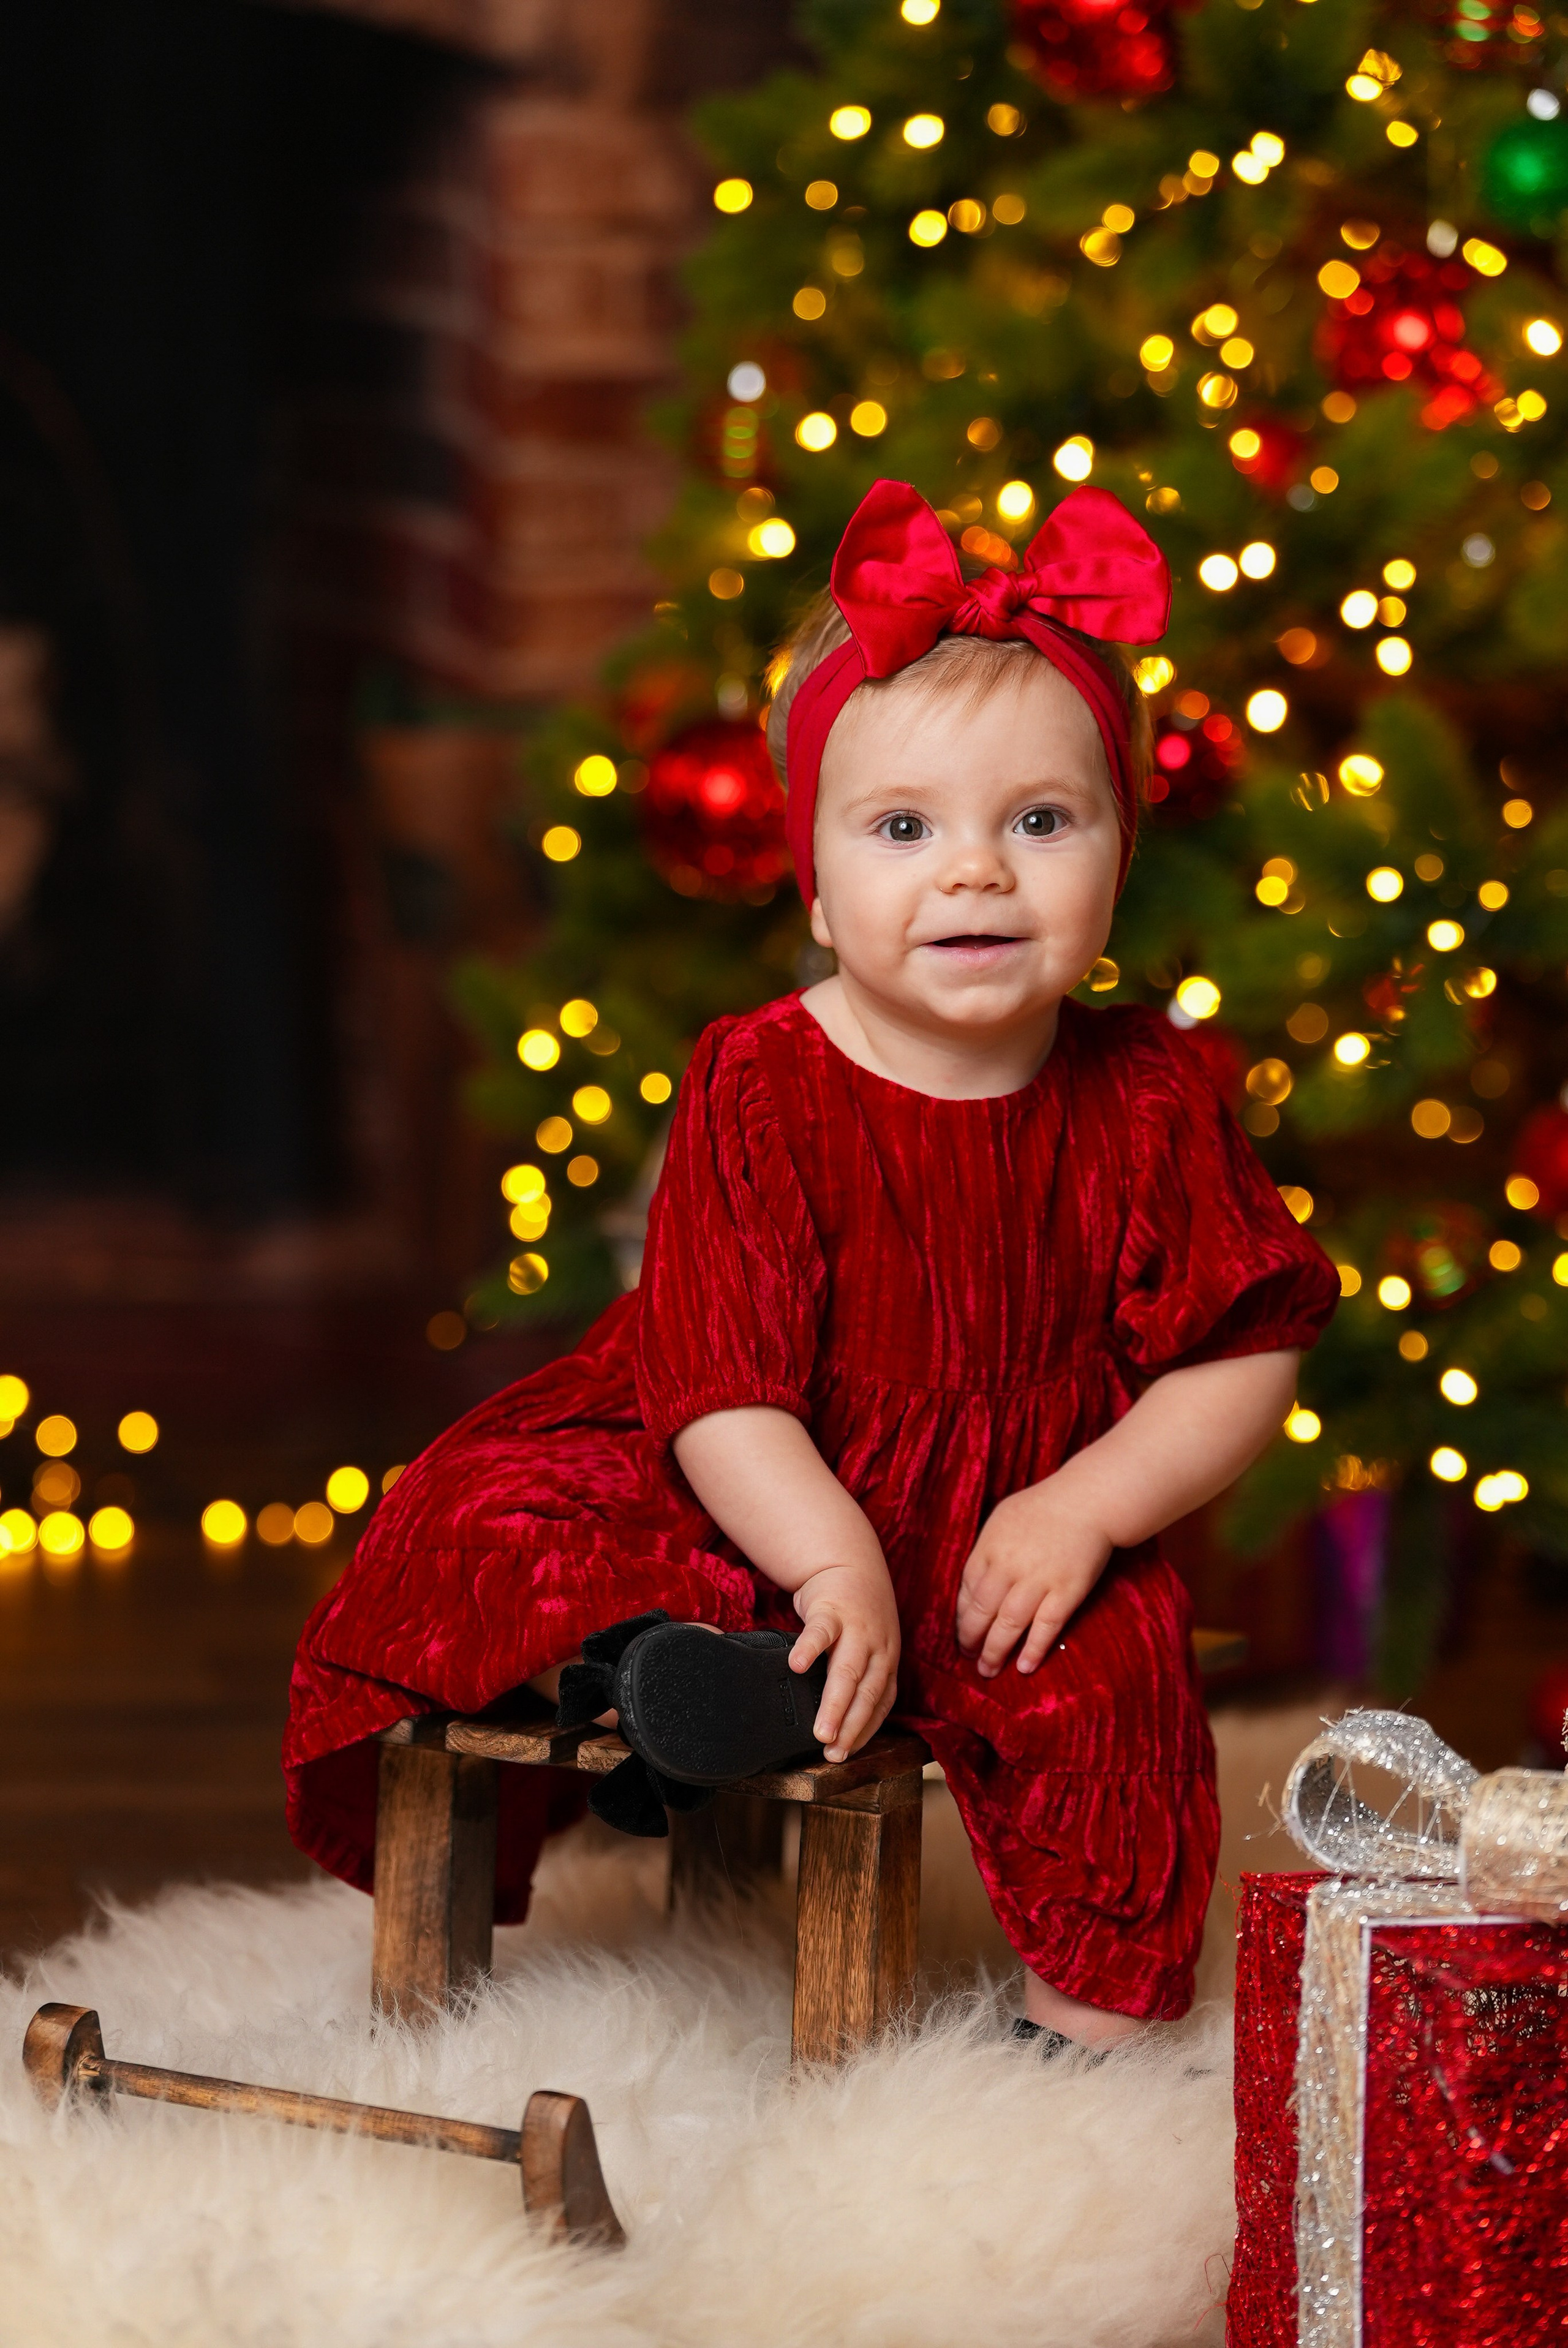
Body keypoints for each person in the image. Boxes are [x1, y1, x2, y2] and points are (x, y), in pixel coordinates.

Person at [285, 478, 1338, 2050]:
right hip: (754, 1472)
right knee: (501, 1520)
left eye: (1039, 822)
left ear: (1118, 853)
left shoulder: (1145, 1096)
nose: (975, 872)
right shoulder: (761, 1082)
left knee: (1111, 1704)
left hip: (1015, 1522)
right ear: (818, 887)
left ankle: (1080, 2030)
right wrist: (833, 1561)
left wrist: (1083, 1511)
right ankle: (675, 1674)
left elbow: (1243, 1347)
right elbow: (719, 1387)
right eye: (903, 829)